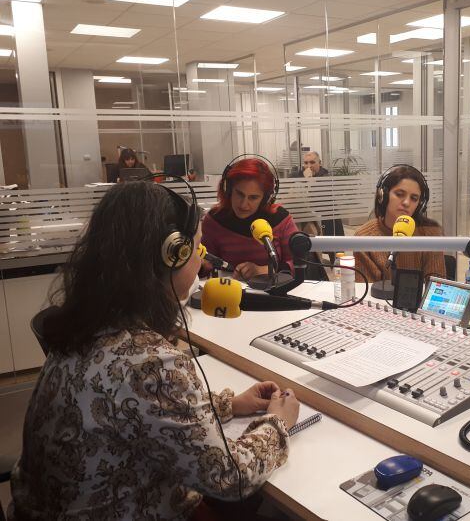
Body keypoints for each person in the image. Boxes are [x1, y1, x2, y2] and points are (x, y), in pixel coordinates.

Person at [9, 181, 299, 520]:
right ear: (173, 254)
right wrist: (278, 422)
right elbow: (228, 477)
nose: (200, 257)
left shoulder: (84, 326)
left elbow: (134, 413)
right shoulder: (151, 362)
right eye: (198, 247)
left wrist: (229, 404)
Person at [201, 157, 298, 281]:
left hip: (273, 294)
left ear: (265, 198)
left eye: (253, 198)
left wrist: (265, 270)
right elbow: (207, 265)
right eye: (239, 194)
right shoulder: (214, 220)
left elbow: (298, 263)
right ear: (228, 189)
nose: (243, 204)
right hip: (230, 295)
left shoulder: (280, 219)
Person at [354, 165, 446, 282]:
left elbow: (436, 288)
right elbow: (365, 291)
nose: (407, 203)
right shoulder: (364, 237)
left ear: (420, 205)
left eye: (414, 198)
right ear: (383, 196)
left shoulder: (430, 234)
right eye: (399, 194)